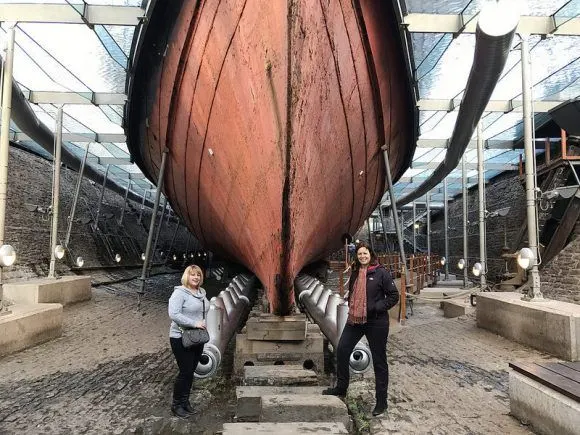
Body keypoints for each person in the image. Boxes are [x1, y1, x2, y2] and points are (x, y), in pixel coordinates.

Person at [322, 241, 399, 417]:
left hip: (376, 322)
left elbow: (394, 296)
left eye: (365, 253)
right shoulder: (356, 272)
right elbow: (353, 292)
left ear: (371, 255)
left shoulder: (381, 273)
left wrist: (375, 307)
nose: (363, 256)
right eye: (360, 254)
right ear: (357, 256)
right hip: (355, 319)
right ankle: (341, 387)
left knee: (379, 361)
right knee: (342, 349)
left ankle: (382, 402)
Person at [168, 264, 209, 418]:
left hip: (197, 337)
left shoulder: (201, 293)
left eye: (198, 274)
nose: (196, 277)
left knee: (190, 371)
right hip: (180, 337)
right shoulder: (180, 293)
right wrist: (194, 323)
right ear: (187, 276)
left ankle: (185, 402)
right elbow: (173, 314)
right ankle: (176, 404)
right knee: (185, 371)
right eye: (192, 274)